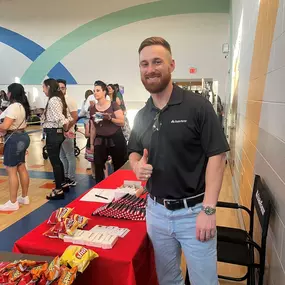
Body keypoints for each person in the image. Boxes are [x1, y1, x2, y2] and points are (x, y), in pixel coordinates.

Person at [128, 37, 230, 285]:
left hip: (194, 213)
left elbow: (218, 156)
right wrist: (136, 166)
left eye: (156, 62)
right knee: (168, 279)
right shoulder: (142, 115)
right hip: (156, 213)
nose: (150, 69)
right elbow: (132, 150)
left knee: (204, 281)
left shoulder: (198, 107)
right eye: (144, 64)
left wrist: (208, 209)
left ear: (172, 65)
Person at [0, 83, 31, 211]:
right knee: (21, 166)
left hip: (14, 139)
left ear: (11, 93)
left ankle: (13, 202)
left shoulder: (13, 107)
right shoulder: (22, 106)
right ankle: (24, 196)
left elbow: (5, 126)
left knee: (11, 169)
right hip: (23, 137)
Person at [89, 80, 127, 183]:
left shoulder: (113, 105)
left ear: (104, 92)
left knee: (119, 164)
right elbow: (93, 127)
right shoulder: (93, 109)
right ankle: (99, 187)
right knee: (98, 165)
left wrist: (110, 118)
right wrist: (92, 144)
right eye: (94, 91)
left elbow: (121, 122)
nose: (95, 93)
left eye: (98, 90)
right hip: (100, 139)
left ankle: (119, 185)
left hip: (116, 138)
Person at [42, 78, 71, 200]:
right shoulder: (59, 99)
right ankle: (63, 183)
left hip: (53, 133)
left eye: (43, 87)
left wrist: (66, 128)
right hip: (56, 133)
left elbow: (62, 118)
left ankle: (58, 189)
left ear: (48, 87)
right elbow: (66, 116)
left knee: (55, 162)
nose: (43, 90)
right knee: (58, 160)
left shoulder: (54, 100)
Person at [57, 79, 78, 187]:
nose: (60, 90)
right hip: (58, 133)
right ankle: (65, 177)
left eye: (63, 88)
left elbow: (75, 117)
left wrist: (66, 129)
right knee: (62, 156)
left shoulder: (70, 100)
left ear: (66, 88)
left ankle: (71, 178)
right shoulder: (56, 101)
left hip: (68, 133)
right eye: (58, 88)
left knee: (70, 156)